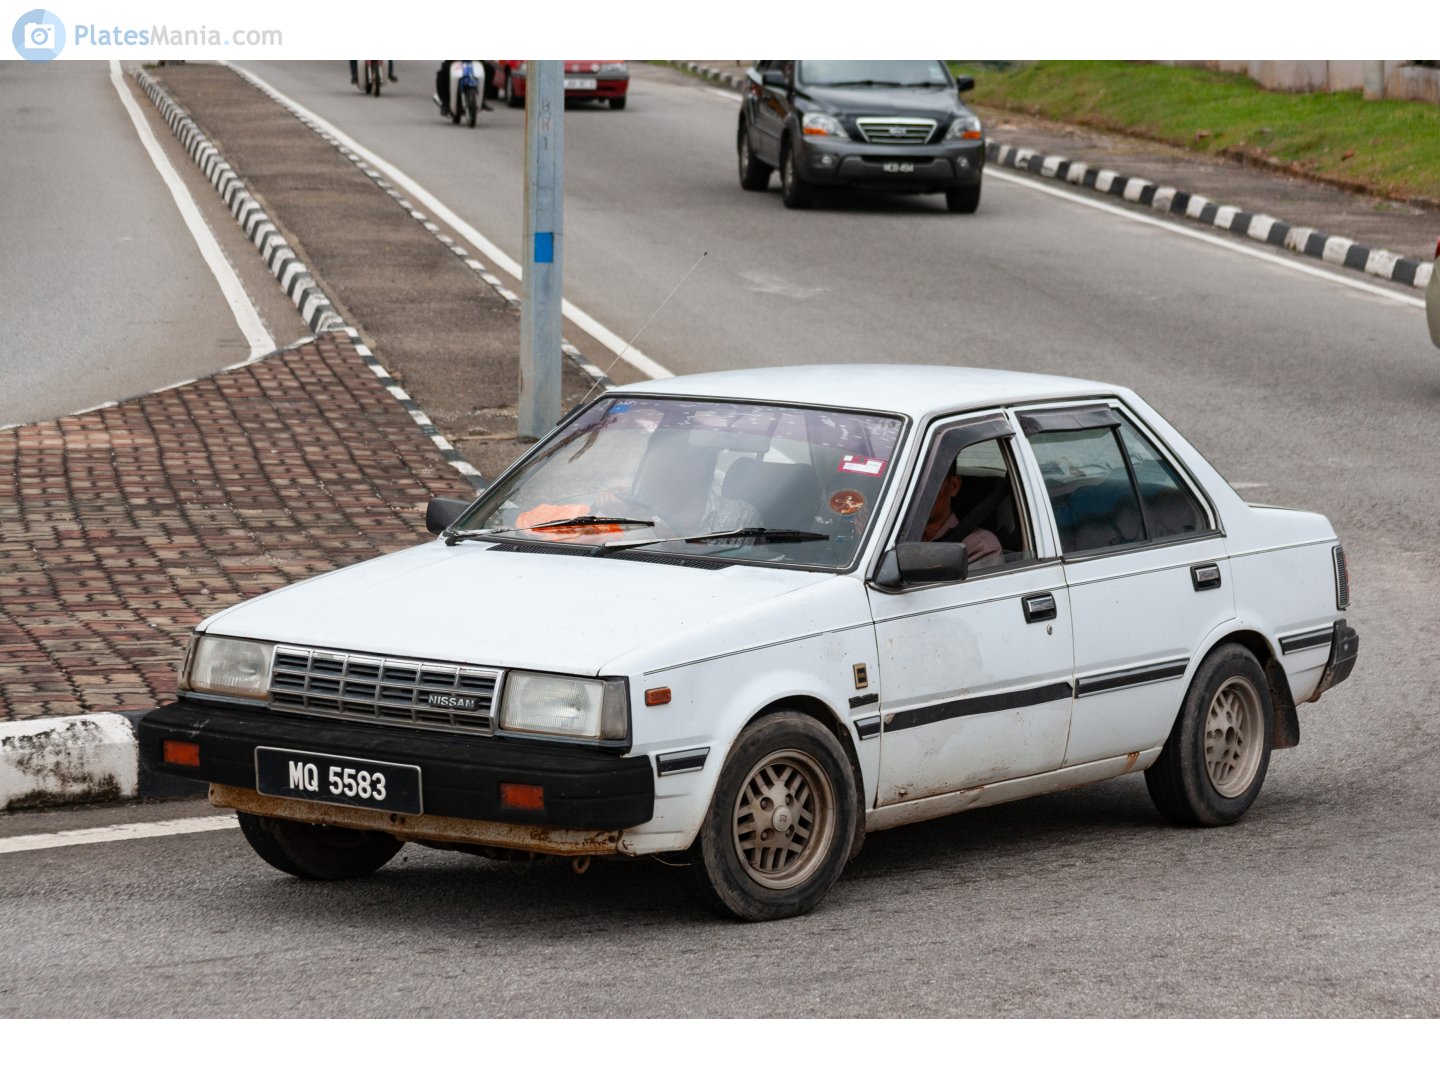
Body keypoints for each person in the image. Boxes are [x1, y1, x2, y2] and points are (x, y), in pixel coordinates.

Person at [921, 461, 1003, 569]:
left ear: (954, 486)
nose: (918, 493)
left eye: (929, 483)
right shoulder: (894, 536)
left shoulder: (979, 546)